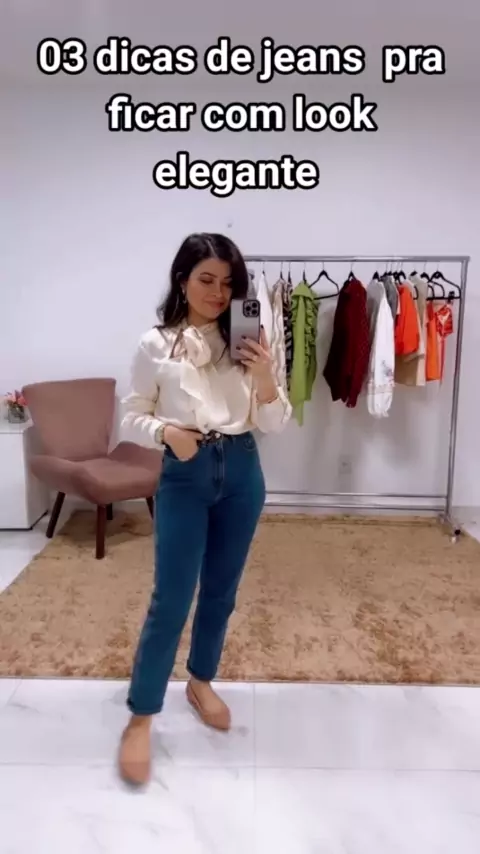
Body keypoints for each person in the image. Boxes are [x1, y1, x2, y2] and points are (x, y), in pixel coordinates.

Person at [118, 232, 292, 785]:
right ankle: (142, 714)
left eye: (228, 283)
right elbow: (131, 415)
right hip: (185, 472)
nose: (218, 293)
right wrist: (167, 433)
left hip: (243, 470)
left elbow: (275, 422)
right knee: (171, 598)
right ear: (183, 280)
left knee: (221, 591)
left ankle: (200, 680)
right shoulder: (156, 343)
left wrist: (265, 377)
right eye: (206, 280)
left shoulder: (250, 341)